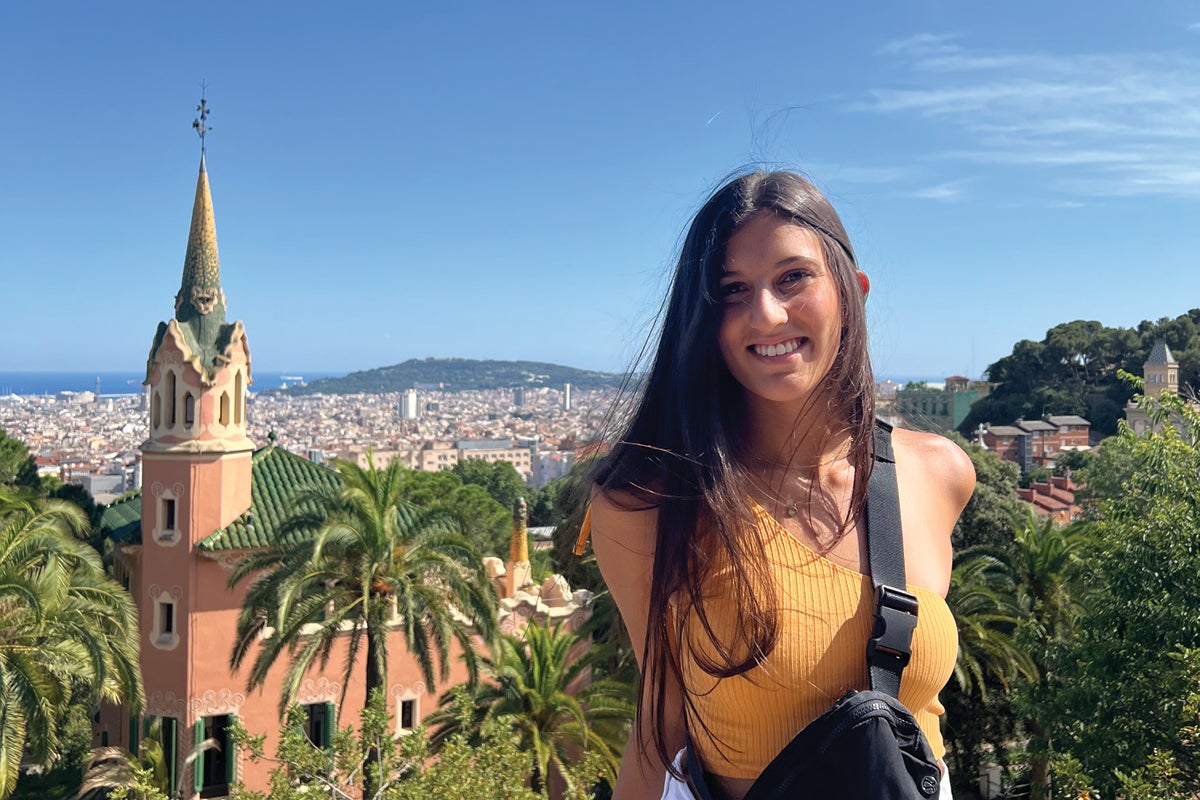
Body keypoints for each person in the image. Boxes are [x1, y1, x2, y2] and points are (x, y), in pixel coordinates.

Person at [580, 171, 975, 800]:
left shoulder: (937, 474)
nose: (766, 313)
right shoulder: (655, 501)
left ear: (854, 292)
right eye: (732, 290)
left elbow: (920, 710)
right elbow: (659, 733)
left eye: (793, 278)